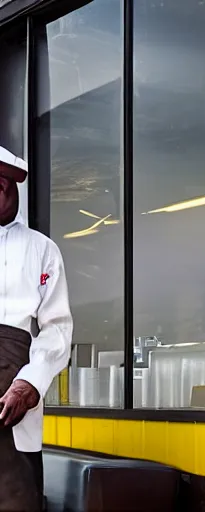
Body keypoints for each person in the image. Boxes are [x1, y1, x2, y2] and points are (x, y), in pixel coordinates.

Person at [0, 145, 73, 511]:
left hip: (14, 401)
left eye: (4, 182)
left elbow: (57, 329)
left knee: (17, 499)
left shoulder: (42, 250)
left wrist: (30, 383)